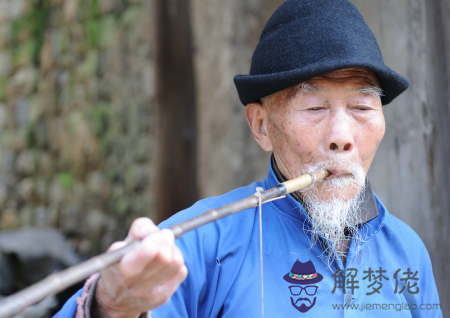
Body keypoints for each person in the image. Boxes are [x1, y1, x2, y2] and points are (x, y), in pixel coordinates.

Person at [56, 0, 443, 317]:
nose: (341, 138)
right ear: (261, 126)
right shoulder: (200, 244)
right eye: (314, 108)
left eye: (361, 107)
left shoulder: (406, 251)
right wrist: (108, 305)